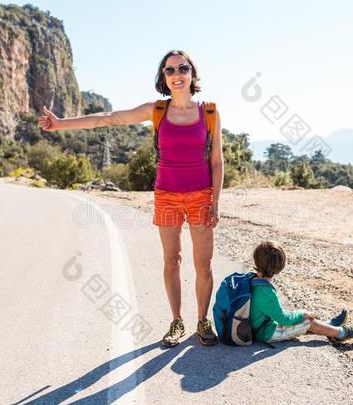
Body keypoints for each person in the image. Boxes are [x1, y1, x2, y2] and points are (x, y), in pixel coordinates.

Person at [38, 49, 223, 348]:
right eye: (170, 70)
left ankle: (203, 322)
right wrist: (61, 124)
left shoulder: (210, 112)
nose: (177, 75)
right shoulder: (157, 111)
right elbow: (109, 119)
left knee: (204, 264)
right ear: (163, 78)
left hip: (201, 195)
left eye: (182, 68)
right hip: (166, 195)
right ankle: (177, 321)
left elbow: (217, 161)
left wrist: (215, 200)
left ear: (192, 74)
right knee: (171, 261)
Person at [249, 240, 353, 344]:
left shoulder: (251, 279)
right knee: (307, 321)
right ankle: (341, 333)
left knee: (300, 320)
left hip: (257, 326)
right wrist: (301, 313)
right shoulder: (265, 292)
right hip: (266, 333)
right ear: (280, 267)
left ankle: (329, 326)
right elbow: (284, 319)